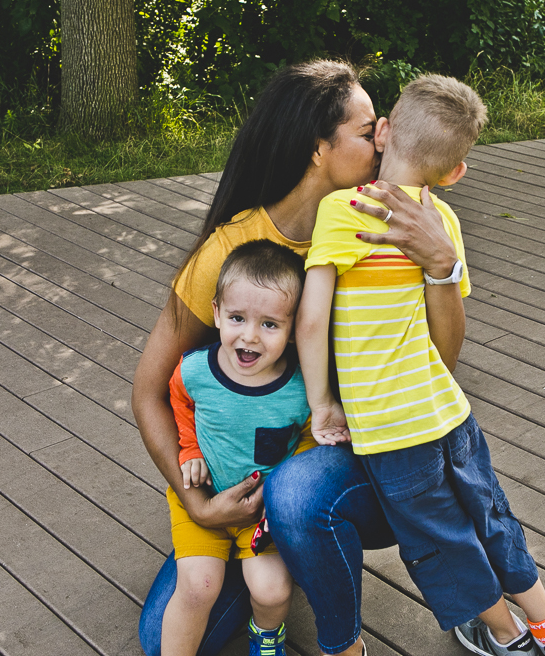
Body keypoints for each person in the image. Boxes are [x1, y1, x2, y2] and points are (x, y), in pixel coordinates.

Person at [134, 59, 465, 656]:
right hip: (241, 481)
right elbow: (148, 390)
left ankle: (453, 590)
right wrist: (196, 503)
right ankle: (270, 549)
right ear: (318, 150)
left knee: (298, 494)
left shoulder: (390, 224)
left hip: (361, 453)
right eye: (367, 132)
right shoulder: (233, 250)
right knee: (163, 642)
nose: (384, 137)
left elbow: (444, 359)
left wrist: (443, 265)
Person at [296, 74, 545, 656]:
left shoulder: (341, 210)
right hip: (450, 413)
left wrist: (323, 403)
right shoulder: (443, 224)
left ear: (382, 133)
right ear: (455, 172)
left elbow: (310, 320)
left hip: (390, 429)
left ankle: (505, 635)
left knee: (441, 539)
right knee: (490, 513)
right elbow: (446, 326)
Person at [166, 240, 314, 656]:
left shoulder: (301, 388)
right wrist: (189, 450)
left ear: (293, 326)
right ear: (216, 312)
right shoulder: (195, 370)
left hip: (262, 512)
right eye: (236, 318)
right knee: (198, 588)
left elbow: (307, 437)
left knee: (271, 591)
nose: (249, 336)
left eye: (270, 324)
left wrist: (283, 487)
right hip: (204, 500)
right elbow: (178, 401)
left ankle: (266, 638)